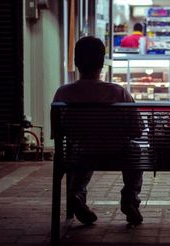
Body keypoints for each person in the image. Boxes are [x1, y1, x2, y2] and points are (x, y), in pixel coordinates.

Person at [52, 36, 145, 226]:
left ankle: (77, 194)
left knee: (81, 150)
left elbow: (58, 132)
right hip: (116, 152)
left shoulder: (62, 93)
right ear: (102, 63)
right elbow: (137, 131)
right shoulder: (118, 92)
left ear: (77, 62)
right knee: (135, 150)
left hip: (81, 153)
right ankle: (129, 198)